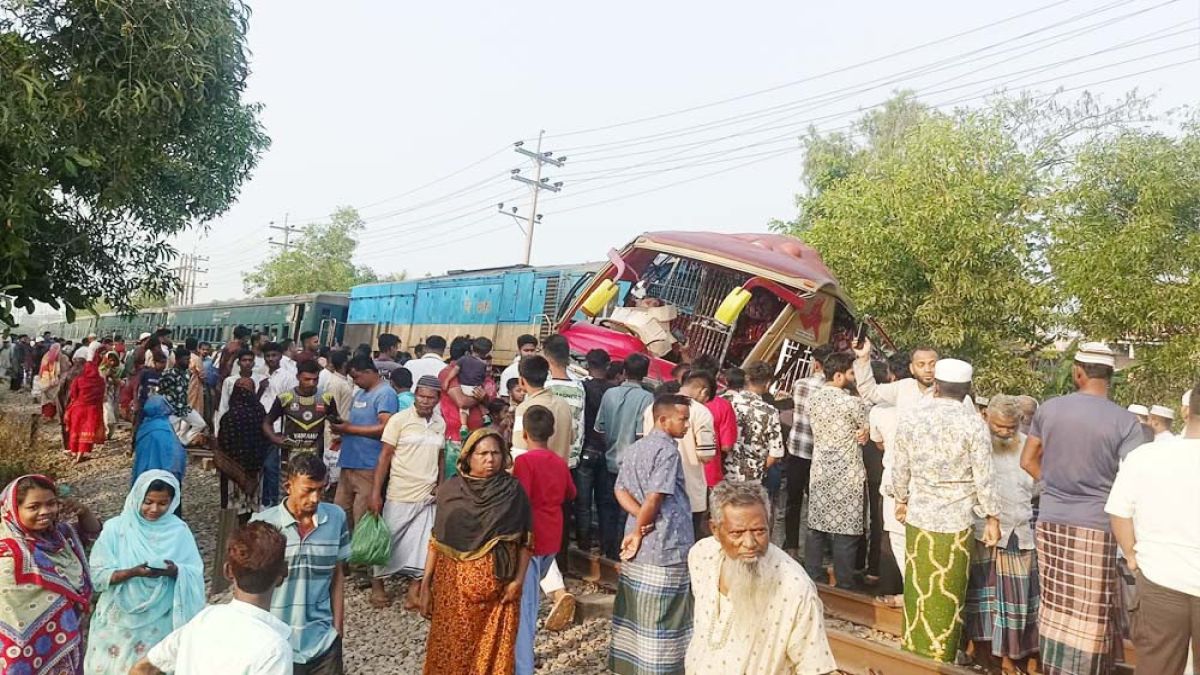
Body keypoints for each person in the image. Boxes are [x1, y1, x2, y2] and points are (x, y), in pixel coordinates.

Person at [1020, 342, 1144, 675]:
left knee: (1056, 604)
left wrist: (1053, 486)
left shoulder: (1049, 409)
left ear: (1078, 373)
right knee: (1092, 611)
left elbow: (1027, 460)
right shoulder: (1126, 422)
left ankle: (1053, 668)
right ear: (1111, 376)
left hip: (1051, 521)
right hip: (1098, 527)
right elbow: (1135, 481)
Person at [893, 358, 1001, 663]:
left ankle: (914, 649)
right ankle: (943, 654)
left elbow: (900, 466)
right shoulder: (973, 425)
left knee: (918, 586)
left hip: (920, 516)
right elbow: (985, 475)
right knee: (949, 590)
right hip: (957, 521)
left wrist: (900, 499)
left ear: (936, 385)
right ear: (967, 390)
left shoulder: (913, 418)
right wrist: (993, 517)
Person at [685, 480, 837, 674]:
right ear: (715, 530)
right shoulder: (702, 556)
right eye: (737, 533)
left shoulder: (794, 587)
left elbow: (815, 666)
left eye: (759, 531)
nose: (749, 543)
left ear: (770, 525)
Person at [420, 429, 533, 675]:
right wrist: (426, 584)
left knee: (493, 656)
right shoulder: (450, 492)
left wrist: (518, 581)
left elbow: (526, 542)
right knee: (451, 648)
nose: (490, 459)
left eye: (495, 453)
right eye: (482, 454)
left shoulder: (513, 492)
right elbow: (436, 541)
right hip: (454, 592)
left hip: (499, 597)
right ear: (468, 457)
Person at [1106, 383, 1200, 675]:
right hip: (1165, 578)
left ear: (1187, 411)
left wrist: (1133, 558)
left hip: (1159, 580)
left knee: (1156, 666)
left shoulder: (1146, 457)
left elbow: (1119, 512)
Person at [131, 521, 293, 675]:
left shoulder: (204, 619)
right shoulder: (274, 649)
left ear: (228, 571)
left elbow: (143, 669)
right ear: (283, 572)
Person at [84, 471, 204, 674]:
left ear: (173, 502)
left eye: (163, 503)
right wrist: (132, 573)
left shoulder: (179, 530)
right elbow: (97, 575)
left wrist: (175, 570)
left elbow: (194, 570)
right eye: (148, 502)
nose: (154, 509)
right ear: (137, 496)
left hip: (160, 617)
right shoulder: (117, 529)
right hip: (117, 620)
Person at [610, 394, 696, 675]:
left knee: (637, 611)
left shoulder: (636, 447)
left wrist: (637, 522)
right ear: (662, 419)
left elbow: (620, 490)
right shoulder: (668, 452)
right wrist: (640, 526)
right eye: (682, 419)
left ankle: (630, 666)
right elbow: (655, 498)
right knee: (665, 614)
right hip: (666, 543)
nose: (686, 424)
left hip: (640, 544)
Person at [252, 452, 350, 674]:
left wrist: (338, 629)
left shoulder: (336, 519)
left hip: (324, 641)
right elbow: (252, 586)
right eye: (308, 490)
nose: (315, 498)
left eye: (321, 490)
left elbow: (337, 574)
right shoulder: (262, 525)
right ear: (288, 486)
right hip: (275, 642)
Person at [965, 395, 1040, 673]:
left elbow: (1035, 487)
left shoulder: (1029, 446)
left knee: (1015, 601)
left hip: (1019, 531)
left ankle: (1011, 655)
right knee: (984, 599)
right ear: (987, 419)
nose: (1004, 432)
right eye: (999, 426)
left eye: (1010, 427)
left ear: (1019, 423)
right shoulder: (978, 443)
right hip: (984, 531)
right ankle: (985, 654)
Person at [0, 474, 101, 675]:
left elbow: (94, 533)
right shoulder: (7, 552)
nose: (45, 512)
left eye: (51, 504)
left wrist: (84, 512)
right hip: (20, 651)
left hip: (65, 641)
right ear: (14, 508)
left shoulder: (59, 535)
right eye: (33, 507)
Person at [368, 375, 445, 610]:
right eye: (421, 396)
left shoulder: (440, 423)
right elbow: (384, 457)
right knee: (387, 540)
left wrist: (441, 484)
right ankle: (377, 585)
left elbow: (441, 457)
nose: (424, 401)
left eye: (430, 398)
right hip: (400, 491)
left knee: (423, 546)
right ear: (414, 395)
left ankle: (414, 591)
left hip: (428, 494)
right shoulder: (399, 420)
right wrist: (375, 493)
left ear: (437, 399)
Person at [513, 407, 578, 674]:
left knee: (525, 607)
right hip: (553, 534)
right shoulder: (559, 462)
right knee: (533, 600)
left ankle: (523, 666)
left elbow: (521, 500)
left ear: (524, 433)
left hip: (530, 537)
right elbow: (570, 493)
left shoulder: (524, 463)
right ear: (551, 433)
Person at [804, 351, 868, 590]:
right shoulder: (853, 402)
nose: (854, 378)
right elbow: (865, 428)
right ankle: (845, 582)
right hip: (847, 473)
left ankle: (813, 574)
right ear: (840, 375)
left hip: (820, 469)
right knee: (846, 530)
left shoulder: (813, 399)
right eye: (852, 373)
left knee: (816, 526)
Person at [594, 352, 656, 560]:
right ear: (645, 374)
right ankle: (622, 549)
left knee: (606, 507)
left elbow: (599, 429)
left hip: (609, 458)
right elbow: (642, 434)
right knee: (626, 511)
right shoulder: (647, 398)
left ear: (623, 371)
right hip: (632, 465)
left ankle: (606, 547)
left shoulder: (609, 394)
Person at [643, 374, 716, 539]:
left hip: (654, 486)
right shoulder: (702, 412)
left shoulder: (654, 407)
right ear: (703, 391)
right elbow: (706, 455)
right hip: (690, 488)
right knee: (688, 539)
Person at [330, 355, 398, 529]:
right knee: (340, 512)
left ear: (368, 372)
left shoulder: (385, 394)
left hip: (369, 465)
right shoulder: (359, 393)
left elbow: (385, 428)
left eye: (357, 377)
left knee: (361, 516)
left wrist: (348, 429)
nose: (355, 382)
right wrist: (342, 431)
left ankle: (359, 555)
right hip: (349, 461)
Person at [264, 359, 339, 491]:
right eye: (307, 379)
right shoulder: (285, 398)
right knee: (287, 493)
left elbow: (336, 423)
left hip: (315, 458)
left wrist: (338, 435)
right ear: (298, 377)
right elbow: (267, 422)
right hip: (289, 458)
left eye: (315, 379)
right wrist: (274, 438)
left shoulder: (326, 398)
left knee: (311, 494)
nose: (311, 383)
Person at [784, 346, 830, 556]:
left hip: (797, 448)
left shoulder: (800, 384)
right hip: (821, 454)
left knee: (793, 501)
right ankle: (815, 551)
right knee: (818, 503)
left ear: (816, 363)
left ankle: (791, 545)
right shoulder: (837, 392)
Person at [577, 349, 616, 551]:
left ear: (586, 365)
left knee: (583, 503)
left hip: (585, 449)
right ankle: (606, 545)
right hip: (607, 450)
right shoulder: (613, 391)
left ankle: (583, 545)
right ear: (608, 366)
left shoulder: (582, 388)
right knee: (605, 502)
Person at [723, 361, 785, 483]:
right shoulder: (770, 412)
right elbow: (775, 453)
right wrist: (759, 470)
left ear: (746, 378)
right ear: (767, 384)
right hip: (752, 479)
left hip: (724, 473)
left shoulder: (725, 401)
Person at [511, 355, 575, 460]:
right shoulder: (563, 405)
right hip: (561, 471)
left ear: (521, 380)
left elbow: (519, 450)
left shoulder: (524, 408)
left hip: (535, 472)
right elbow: (572, 439)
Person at [543, 334, 586, 469]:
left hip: (546, 460)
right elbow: (581, 424)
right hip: (570, 461)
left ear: (547, 356)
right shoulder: (579, 388)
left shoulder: (544, 388)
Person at [62, 347, 107, 461]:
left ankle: (73, 451)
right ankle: (80, 454)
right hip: (92, 409)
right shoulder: (100, 381)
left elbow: (73, 394)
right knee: (87, 432)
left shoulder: (79, 379)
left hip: (78, 408)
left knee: (75, 430)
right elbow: (101, 396)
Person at [133, 395, 188, 486]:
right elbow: (176, 454)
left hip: (143, 475)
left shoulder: (144, 428)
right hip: (165, 476)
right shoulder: (165, 428)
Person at [161, 346, 208, 446]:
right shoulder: (168, 374)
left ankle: (182, 442)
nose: (188, 362)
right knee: (170, 433)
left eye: (189, 359)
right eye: (186, 359)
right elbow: (160, 392)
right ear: (177, 360)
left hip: (183, 408)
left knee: (200, 424)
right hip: (171, 409)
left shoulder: (186, 374)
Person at [34, 340, 69, 419]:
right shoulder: (62, 357)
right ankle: (51, 415)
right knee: (55, 399)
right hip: (56, 382)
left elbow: (42, 369)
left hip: (45, 382)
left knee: (46, 399)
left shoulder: (46, 356)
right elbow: (66, 369)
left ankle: (46, 415)